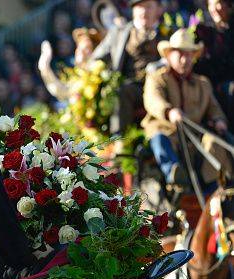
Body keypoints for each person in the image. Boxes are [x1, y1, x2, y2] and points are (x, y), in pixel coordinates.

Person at [142, 29, 231, 187]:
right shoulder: (157, 77)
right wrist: (169, 112)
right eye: (180, 54)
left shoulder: (203, 83)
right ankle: (174, 174)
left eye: (189, 54)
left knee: (215, 143)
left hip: (194, 136)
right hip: (167, 131)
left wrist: (219, 120)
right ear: (169, 56)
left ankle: (210, 188)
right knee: (159, 139)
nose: (185, 59)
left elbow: (213, 107)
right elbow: (152, 100)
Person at [91, 0, 166, 135]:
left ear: (159, 9)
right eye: (139, 7)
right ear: (132, 10)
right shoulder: (119, 33)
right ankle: (118, 140)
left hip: (160, 86)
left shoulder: (169, 33)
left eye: (148, 7)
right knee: (121, 91)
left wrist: (161, 64)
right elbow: (96, 58)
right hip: (131, 87)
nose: (143, 11)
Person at [195, 0, 234, 127]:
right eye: (211, 4)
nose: (214, 8)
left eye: (218, 3)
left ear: (229, 6)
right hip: (210, 82)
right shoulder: (203, 30)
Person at [38, 28, 102, 101]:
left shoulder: (99, 73)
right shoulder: (76, 78)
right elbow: (60, 91)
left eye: (87, 49)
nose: (82, 53)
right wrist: (44, 68)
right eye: (79, 49)